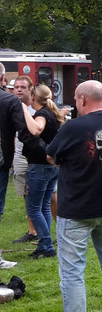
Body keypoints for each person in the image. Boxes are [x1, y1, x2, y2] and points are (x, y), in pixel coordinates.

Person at [47, 80, 102, 311]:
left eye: (75, 99)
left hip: (76, 209)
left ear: (83, 99)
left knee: (72, 271)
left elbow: (52, 156)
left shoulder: (73, 127)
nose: (75, 104)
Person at [21, 84, 65, 259]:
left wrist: (24, 110)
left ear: (33, 97)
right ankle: (45, 243)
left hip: (39, 167)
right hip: (51, 167)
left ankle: (46, 246)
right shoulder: (51, 113)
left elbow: (37, 128)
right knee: (45, 205)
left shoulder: (41, 115)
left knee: (33, 208)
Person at [0, 63, 33, 224]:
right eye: (17, 87)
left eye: (23, 87)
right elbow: (24, 132)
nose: (19, 90)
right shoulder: (9, 100)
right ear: (2, 78)